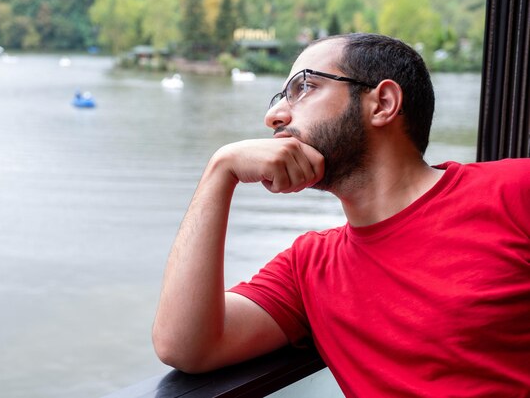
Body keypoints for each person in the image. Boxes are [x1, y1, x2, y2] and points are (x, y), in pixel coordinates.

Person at [152, 33, 530, 397]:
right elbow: (185, 346)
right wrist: (219, 172)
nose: (274, 115)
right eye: (280, 97)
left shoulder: (514, 192)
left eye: (304, 87)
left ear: (382, 103)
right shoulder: (308, 268)